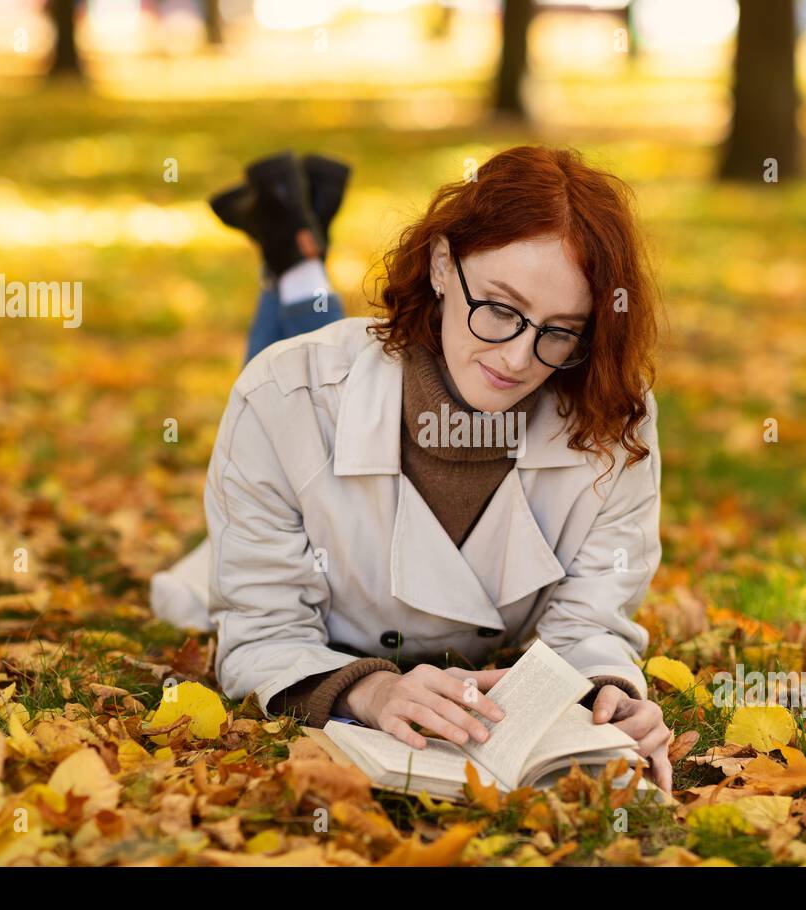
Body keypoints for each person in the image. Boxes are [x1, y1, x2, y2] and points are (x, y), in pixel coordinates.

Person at [153, 145, 671, 790]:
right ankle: (293, 257)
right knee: (294, 375)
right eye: (502, 310)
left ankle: (295, 252)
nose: (516, 359)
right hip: (280, 512)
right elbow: (264, 626)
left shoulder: (611, 414)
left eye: (560, 330)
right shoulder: (286, 396)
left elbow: (592, 619)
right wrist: (364, 691)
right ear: (442, 263)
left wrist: (604, 691)